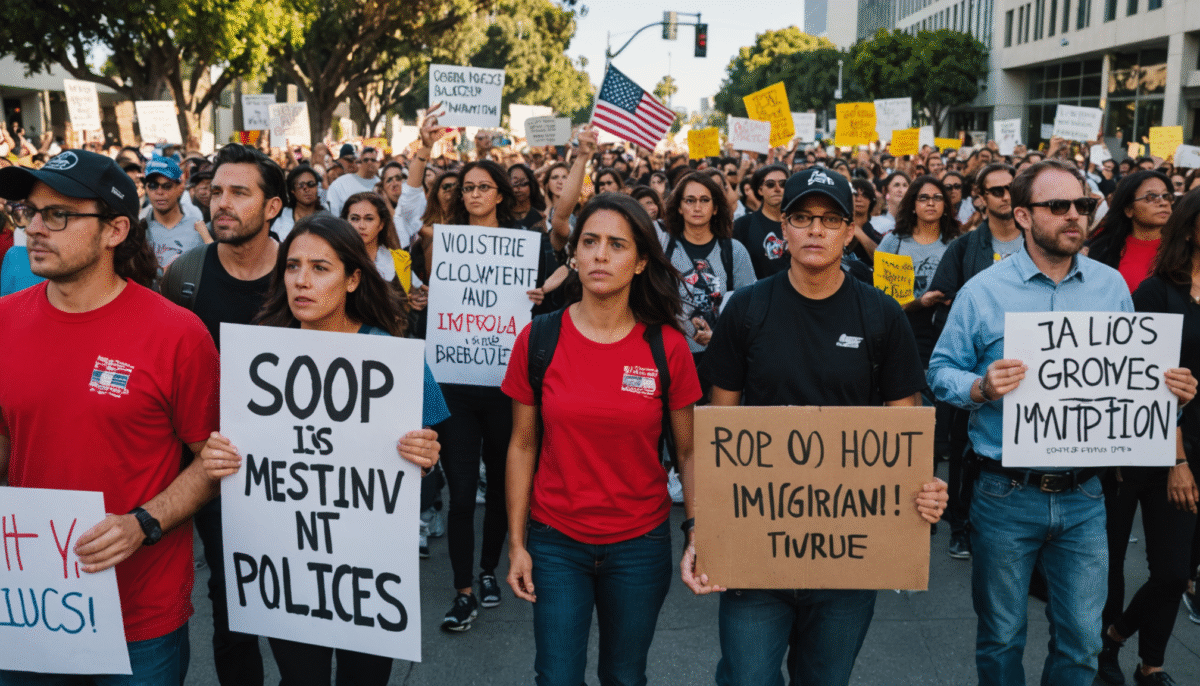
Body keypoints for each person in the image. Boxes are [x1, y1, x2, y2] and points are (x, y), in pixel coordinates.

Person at [927, 159, 1197, 686]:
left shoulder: (1112, 288)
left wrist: (1172, 398)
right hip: (1005, 492)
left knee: (1080, 641)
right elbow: (939, 373)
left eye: (1083, 205)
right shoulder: (984, 291)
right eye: (1059, 207)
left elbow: (1127, 384)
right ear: (1024, 216)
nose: (1075, 216)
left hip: (1085, 497)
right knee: (1001, 637)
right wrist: (980, 386)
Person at [686, 166, 948, 686]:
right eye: (802, 218)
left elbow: (905, 432)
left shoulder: (881, 315)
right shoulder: (746, 310)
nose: (815, 231)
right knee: (747, 677)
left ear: (850, 231)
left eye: (830, 220)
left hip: (848, 552)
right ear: (783, 228)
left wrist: (926, 489)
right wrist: (702, 527)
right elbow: (716, 431)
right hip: (755, 539)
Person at [198, 213, 447, 686]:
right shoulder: (258, 356)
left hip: (368, 567)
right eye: (292, 267)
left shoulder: (389, 355)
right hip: (287, 563)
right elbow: (237, 450)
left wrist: (424, 453)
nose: (302, 281)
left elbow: (430, 455)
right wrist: (217, 456)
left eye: (320, 268)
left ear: (353, 278)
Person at [0, 149, 215, 684]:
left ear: (115, 230)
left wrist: (145, 523)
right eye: (29, 212)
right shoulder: (3, 321)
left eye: (59, 215)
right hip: (31, 608)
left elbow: (214, 461)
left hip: (139, 623)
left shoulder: (178, 334)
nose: (35, 229)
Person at [503, 193, 702, 686]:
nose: (599, 255)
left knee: (625, 676)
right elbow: (522, 444)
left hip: (639, 544)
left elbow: (690, 450)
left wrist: (697, 529)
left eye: (617, 245)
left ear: (639, 263)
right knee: (556, 676)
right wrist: (517, 541)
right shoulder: (538, 339)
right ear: (573, 255)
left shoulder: (668, 347)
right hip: (555, 543)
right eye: (589, 242)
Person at [159, 143, 286, 686]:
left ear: (273, 207)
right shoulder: (185, 277)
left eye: (240, 193)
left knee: (302, 596)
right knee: (231, 596)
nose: (222, 204)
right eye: (216, 192)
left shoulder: (307, 269)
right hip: (218, 471)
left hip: (306, 472)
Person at [437, 158, 550, 632]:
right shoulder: (442, 242)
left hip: (508, 386)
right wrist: (422, 297)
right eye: (467, 188)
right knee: (461, 494)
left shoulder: (528, 245)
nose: (475, 195)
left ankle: (488, 571)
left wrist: (542, 294)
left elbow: (556, 286)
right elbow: (424, 297)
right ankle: (463, 589)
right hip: (456, 387)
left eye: (484, 187)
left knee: (505, 486)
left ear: (501, 194)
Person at [1098, 189, 1200, 686]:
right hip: (1148, 447)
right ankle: (1108, 653)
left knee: (1174, 570)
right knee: (1112, 559)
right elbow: (1138, 378)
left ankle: (1134, 651)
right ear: (1192, 228)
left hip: (1195, 449)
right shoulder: (1156, 293)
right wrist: (1177, 458)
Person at [926, 162, 1021, 560]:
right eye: (996, 191)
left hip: (1033, 370)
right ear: (979, 199)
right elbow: (943, 295)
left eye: (1011, 189)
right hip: (978, 374)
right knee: (967, 451)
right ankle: (961, 524)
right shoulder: (965, 247)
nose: (1005, 196)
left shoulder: (1040, 244)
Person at [661, 170, 755, 377]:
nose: (697, 207)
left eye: (704, 200)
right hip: (671, 356)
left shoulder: (734, 251)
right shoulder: (663, 247)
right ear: (679, 206)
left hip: (721, 358)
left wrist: (720, 335)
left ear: (715, 208)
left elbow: (749, 310)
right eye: (690, 200)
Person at [877, 175, 959, 366]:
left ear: (945, 205)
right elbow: (886, 300)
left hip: (946, 334)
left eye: (937, 198)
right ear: (913, 204)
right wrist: (920, 303)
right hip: (904, 334)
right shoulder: (894, 242)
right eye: (923, 198)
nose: (931, 203)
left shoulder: (956, 243)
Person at [1087, 170, 1174, 294]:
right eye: (1151, 197)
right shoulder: (1102, 250)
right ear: (1129, 209)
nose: (1163, 202)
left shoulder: (1183, 247)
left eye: (1166, 196)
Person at [144, 155, 208, 272]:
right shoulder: (139, 226)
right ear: (146, 189)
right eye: (153, 186)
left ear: (181, 189)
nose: (159, 192)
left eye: (167, 186)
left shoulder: (197, 226)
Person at [340, 191, 412, 294]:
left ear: (381, 224)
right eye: (355, 219)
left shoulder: (401, 260)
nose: (361, 226)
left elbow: (406, 303)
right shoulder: (336, 259)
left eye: (369, 219)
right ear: (345, 222)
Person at [731, 163, 788, 279]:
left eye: (783, 184)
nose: (777, 189)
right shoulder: (743, 225)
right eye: (770, 184)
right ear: (760, 190)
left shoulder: (799, 224)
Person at [275, 165, 327, 239]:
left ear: (317, 187)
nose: (307, 189)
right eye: (301, 185)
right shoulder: (282, 218)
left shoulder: (326, 217)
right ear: (292, 190)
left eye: (311, 184)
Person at [326, 146, 380, 217]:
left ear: (378, 163)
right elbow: (333, 212)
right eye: (366, 160)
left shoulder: (380, 184)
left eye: (373, 160)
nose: (369, 163)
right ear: (360, 162)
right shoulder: (340, 183)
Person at [873, 171, 910, 236]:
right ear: (885, 190)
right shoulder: (875, 222)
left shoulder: (915, 222)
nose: (900, 190)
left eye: (905, 185)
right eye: (896, 185)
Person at [510, 163, 546, 230]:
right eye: (514, 184)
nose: (517, 189)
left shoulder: (541, 216)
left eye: (523, 183)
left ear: (531, 185)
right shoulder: (501, 217)